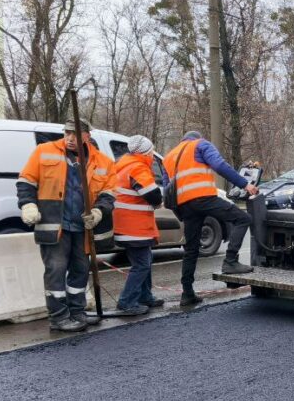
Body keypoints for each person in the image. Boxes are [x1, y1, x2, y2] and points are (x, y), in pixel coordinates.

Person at [17, 118, 115, 332]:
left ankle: (77, 312)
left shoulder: (103, 162)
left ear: (87, 136)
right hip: (54, 225)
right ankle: (58, 316)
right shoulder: (44, 151)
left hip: (82, 227)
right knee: (56, 269)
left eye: (76, 134)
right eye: (67, 133)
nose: (70, 138)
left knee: (80, 270)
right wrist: (28, 204)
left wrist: (98, 211)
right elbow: (26, 181)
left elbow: (108, 193)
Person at [163, 131, 259, 308]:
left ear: (183, 140)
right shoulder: (201, 144)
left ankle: (187, 294)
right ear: (197, 137)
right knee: (243, 219)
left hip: (184, 205)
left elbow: (166, 189)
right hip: (203, 198)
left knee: (191, 249)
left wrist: (180, 210)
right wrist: (245, 184)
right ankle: (230, 261)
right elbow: (219, 165)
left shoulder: (169, 157)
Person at [111, 135, 165, 316]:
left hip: (127, 225)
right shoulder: (138, 167)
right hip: (134, 227)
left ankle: (145, 296)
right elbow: (153, 194)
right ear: (146, 152)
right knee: (141, 265)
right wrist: (158, 201)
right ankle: (127, 302)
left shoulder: (123, 165)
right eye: (151, 151)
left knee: (145, 262)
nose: (152, 155)